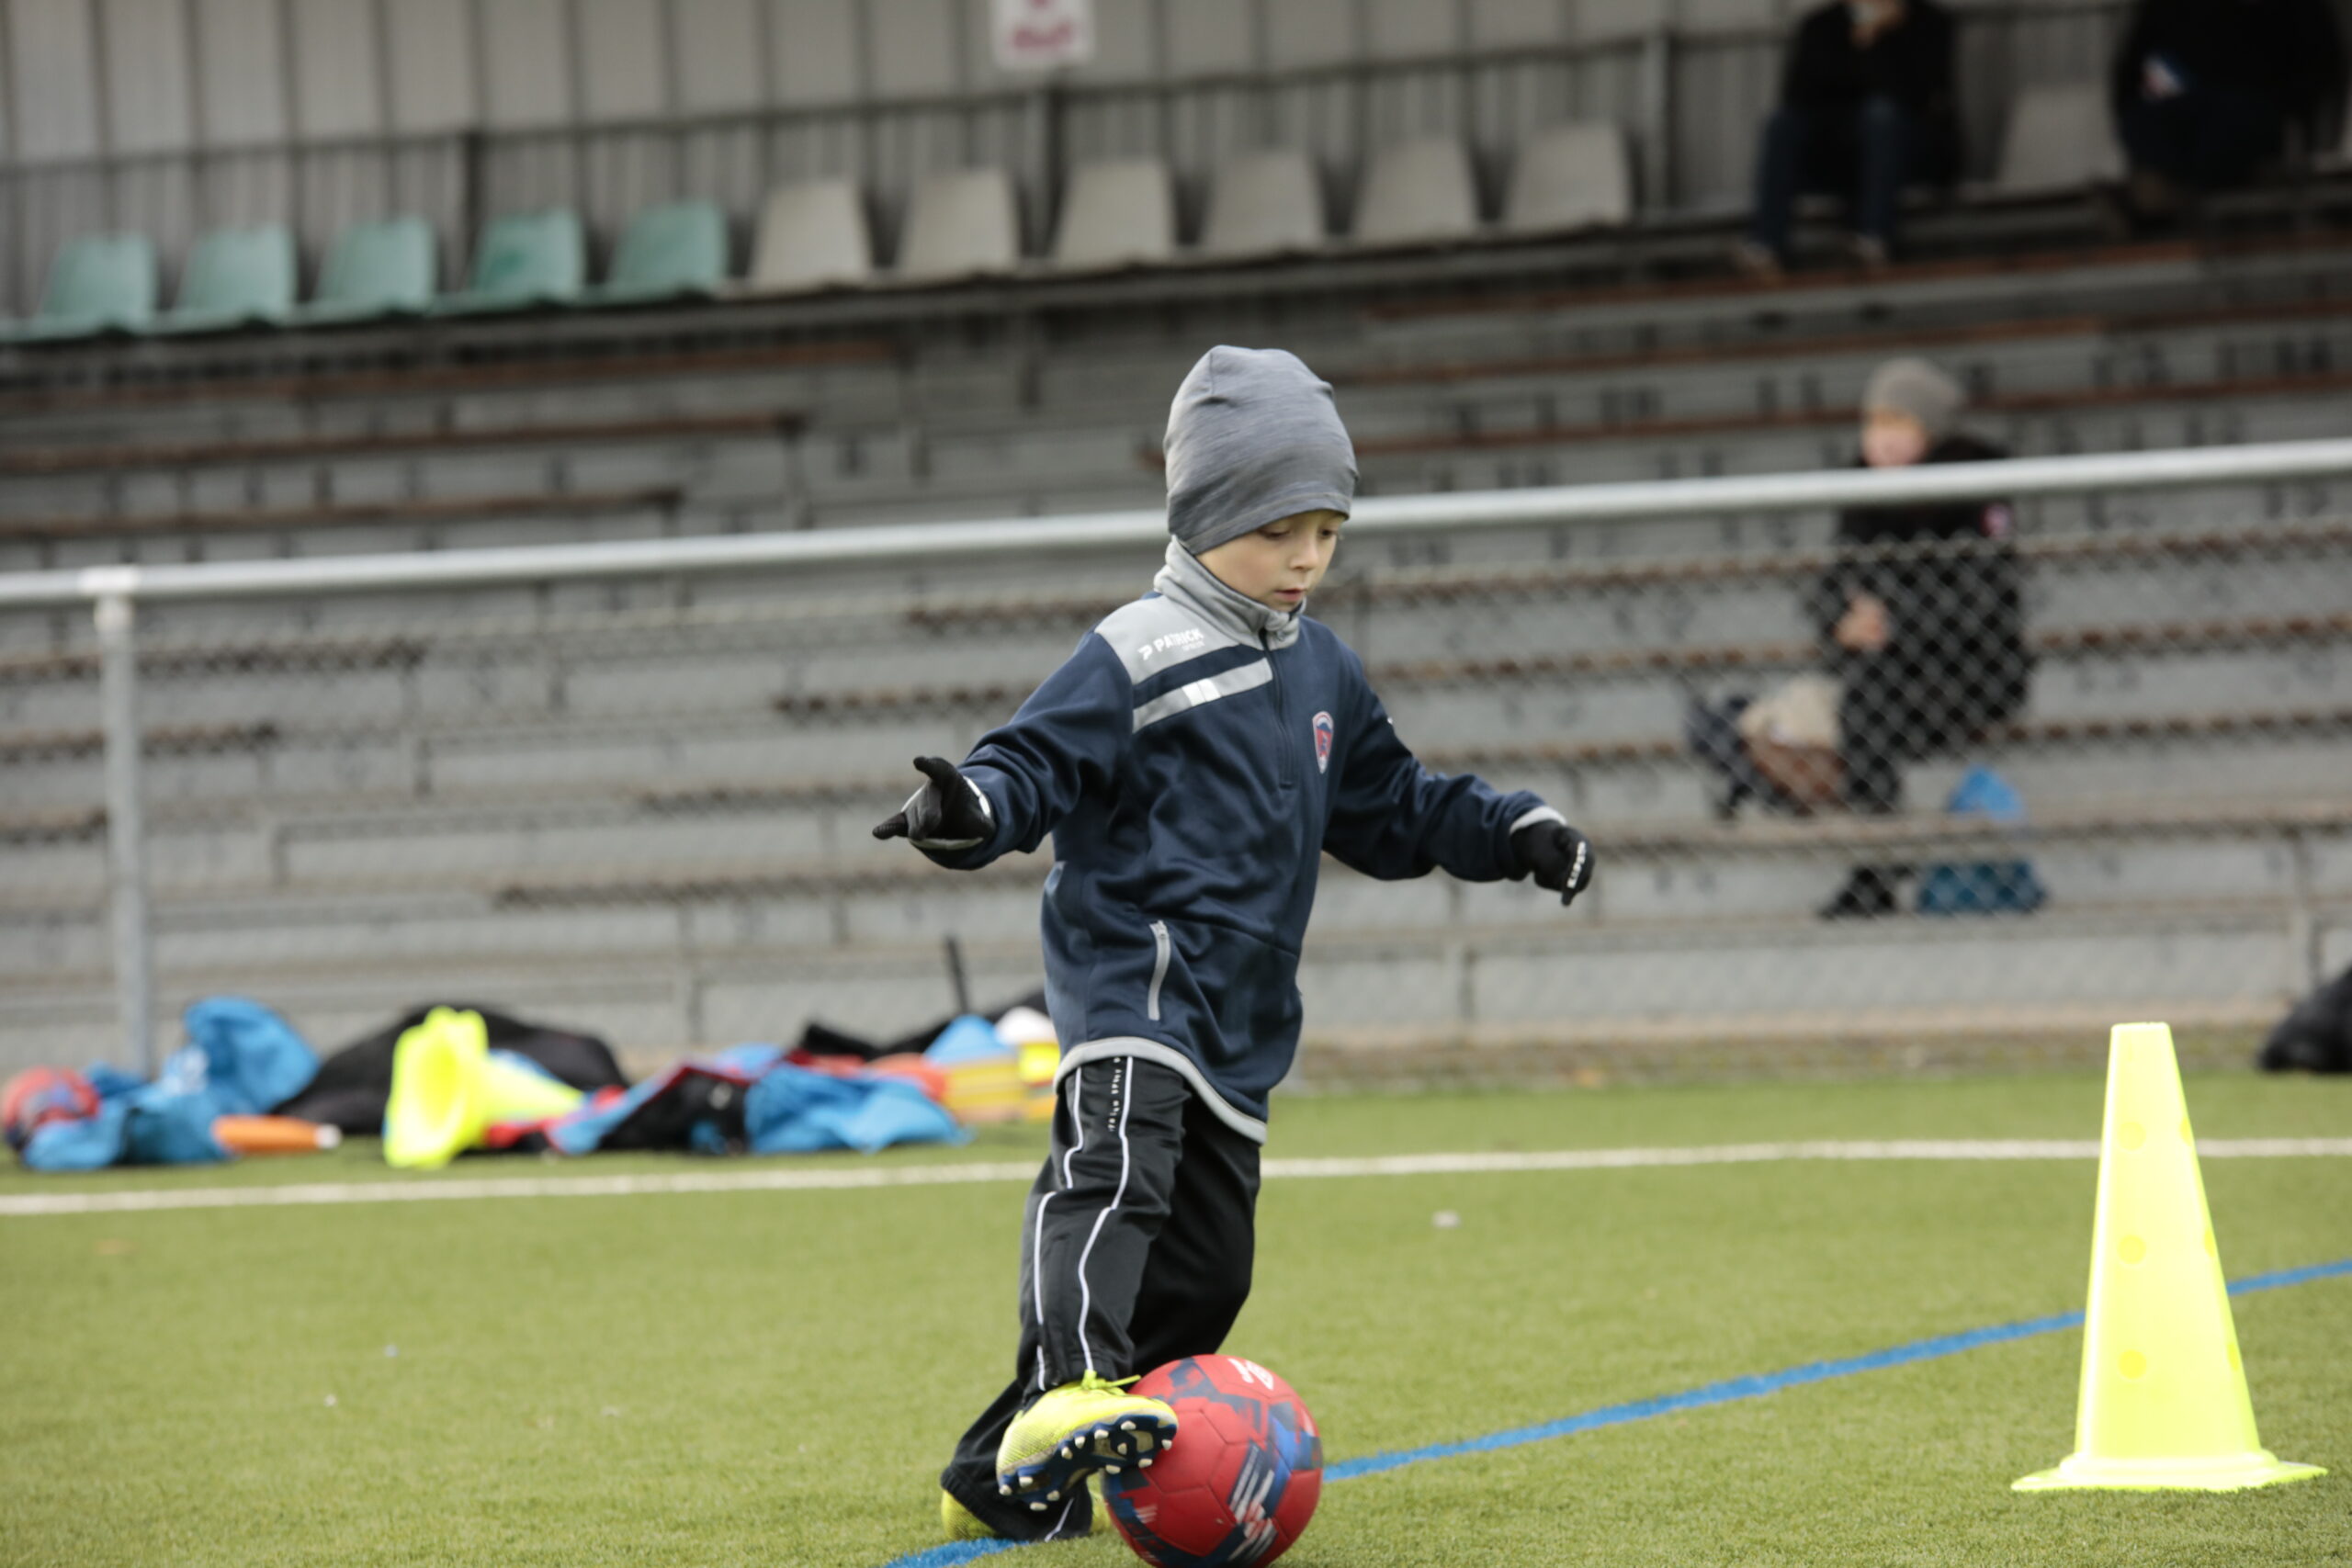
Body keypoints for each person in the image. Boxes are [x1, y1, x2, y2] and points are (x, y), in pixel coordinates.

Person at [874, 346, 1596, 1543]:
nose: (1307, 556)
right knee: (1111, 1177)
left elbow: (1396, 805)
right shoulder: (1138, 649)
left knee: (1206, 1275)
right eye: (1278, 530)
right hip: (1130, 977)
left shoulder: (1325, 670)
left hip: (1242, 1017)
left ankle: (1003, 1472)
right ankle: (1066, 1395)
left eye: (1328, 528)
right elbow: (1027, 765)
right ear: (1205, 516)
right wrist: (969, 809)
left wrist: (1512, 830)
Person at [1807, 357, 2030, 917]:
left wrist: (1895, 622)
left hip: (1971, 672)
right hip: (1882, 672)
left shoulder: (1976, 487)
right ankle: (1878, 857)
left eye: (1898, 426)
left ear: (1928, 432)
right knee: (1860, 696)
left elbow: (1984, 601)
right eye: (1874, 425)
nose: (1881, 441)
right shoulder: (1861, 493)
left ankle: (1877, 863)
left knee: (1866, 698)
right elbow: (1831, 584)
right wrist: (1841, 621)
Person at [1736, 0, 1961, 274]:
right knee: (1781, 124)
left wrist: (1874, 43)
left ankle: (1873, 238)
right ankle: (1766, 245)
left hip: (1908, 158)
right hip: (1839, 158)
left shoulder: (1928, 23)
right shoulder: (1820, 26)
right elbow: (1799, 93)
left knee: (1881, 115)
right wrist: (1863, 41)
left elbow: (1918, 93)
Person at [2109, 0, 2346, 225]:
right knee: (2157, 127)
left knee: (2224, 129)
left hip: (2250, 112)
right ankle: (2160, 195)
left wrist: (2303, 127)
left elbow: (2321, 62)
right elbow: (2130, 76)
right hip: (2188, 111)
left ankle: (2160, 199)